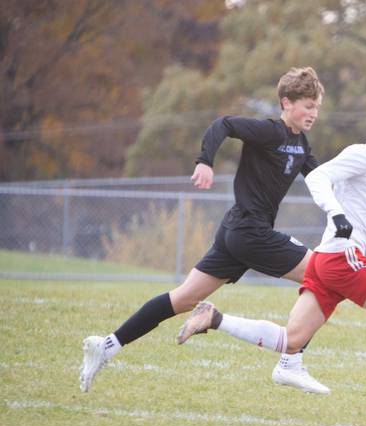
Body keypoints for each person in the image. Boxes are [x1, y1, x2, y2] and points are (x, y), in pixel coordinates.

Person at [176, 101, 366, 426]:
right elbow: (318, 177)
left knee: (291, 341)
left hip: (325, 259)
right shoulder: (365, 154)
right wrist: (336, 214)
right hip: (341, 257)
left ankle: (214, 318)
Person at [80, 67, 332, 394]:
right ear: (286, 102)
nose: (313, 113)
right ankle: (290, 364)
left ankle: (107, 345)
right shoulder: (269, 132)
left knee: (183, 298)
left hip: (237, 232)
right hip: (248, 231)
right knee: (324, 275)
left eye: (316, 107)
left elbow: (321, 178)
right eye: (307, 106)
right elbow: (223, 124)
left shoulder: (301, 143)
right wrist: (205, 160)